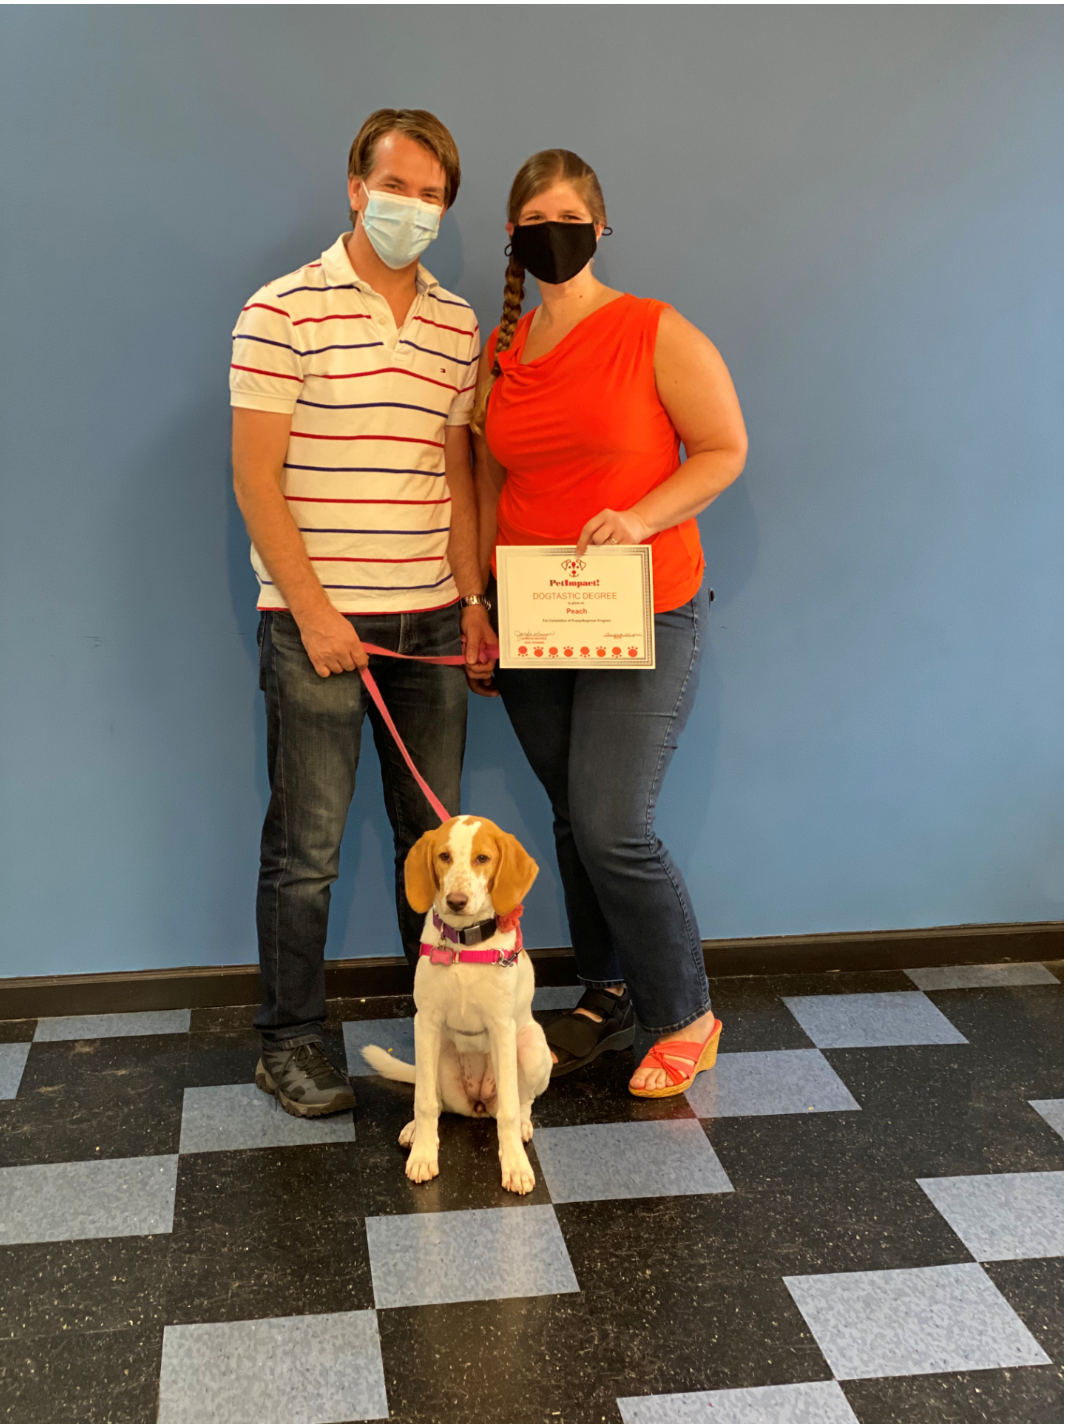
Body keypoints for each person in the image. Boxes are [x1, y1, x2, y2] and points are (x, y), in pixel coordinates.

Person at [231, 109, 496, 1117]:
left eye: (434, 197)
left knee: (436, 846)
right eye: (400, 188)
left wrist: (472, 600)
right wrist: (315, 614)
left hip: (430, 625)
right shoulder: (279, 312)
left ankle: (448, 1030)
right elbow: (257, 481)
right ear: (355, 187)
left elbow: (457, 475)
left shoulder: (457, 324)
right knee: (308, 850)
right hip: (318, 631)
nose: (414, 210)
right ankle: (290, 1041)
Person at [470, 149, 747, 1098]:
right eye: (533, 219)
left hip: (644, 609)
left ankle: (686, 1012)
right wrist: (480, 602)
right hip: (533, 619)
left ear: (598, 227)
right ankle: (606, 989)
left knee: (612, 823)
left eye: (567, 216)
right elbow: (489, 480)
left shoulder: (653, 330)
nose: (553, 232)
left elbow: (722, 449)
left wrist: (639, 516)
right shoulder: (501, 351)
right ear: (512, 236)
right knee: (570, 815)